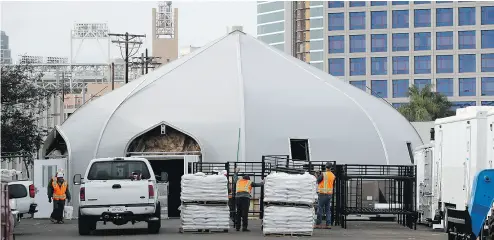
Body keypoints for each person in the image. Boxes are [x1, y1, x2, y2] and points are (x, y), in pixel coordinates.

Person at [315, 162, 336, 229]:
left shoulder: (323, 174)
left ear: (325, 167)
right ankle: (328, 224)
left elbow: (318, 181)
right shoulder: (333, 175)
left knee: (320, 209)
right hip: (329, 194)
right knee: (327, 210)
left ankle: (318, 224)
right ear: (331, 167)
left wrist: (317, 175)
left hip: (322, 194)